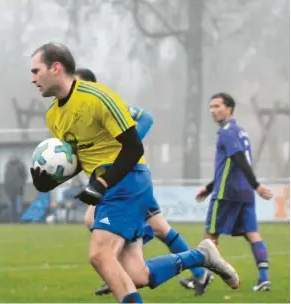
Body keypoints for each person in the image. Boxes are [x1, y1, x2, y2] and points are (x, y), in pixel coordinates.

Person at [29, 42, 239, 303]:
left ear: (56, 67)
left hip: (129, 180)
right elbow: (81, 158)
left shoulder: (98, 97)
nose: (32, 78)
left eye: (36, 71)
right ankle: (202, 256)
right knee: (137, 275)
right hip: (108, 186)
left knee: (100, 255)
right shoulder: (53, 116)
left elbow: (133, 146)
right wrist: (50, 180)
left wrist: (103, 182)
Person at [74, 68, 211, 296]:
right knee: (152, 227)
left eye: (78, 85)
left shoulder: (105, 105)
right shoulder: (80, 115)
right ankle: (119, 269)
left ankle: (198, 270)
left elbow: (146, 118)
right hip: (115, 182)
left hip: (129, 179)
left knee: (157, 228)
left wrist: (126, 148)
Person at [179, 93, 273, 292]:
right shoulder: (240, 131)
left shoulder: (227, 132)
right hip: (244, 192)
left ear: (229, 108)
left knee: (210, 236)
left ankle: (201, 275)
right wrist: (209, 187)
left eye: (217, 106)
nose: (213, 110)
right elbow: (232, 164)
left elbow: (238, 158)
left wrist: (256, 185)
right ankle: (264, 279)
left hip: (227, 193)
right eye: (211, 107)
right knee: (252, 233)